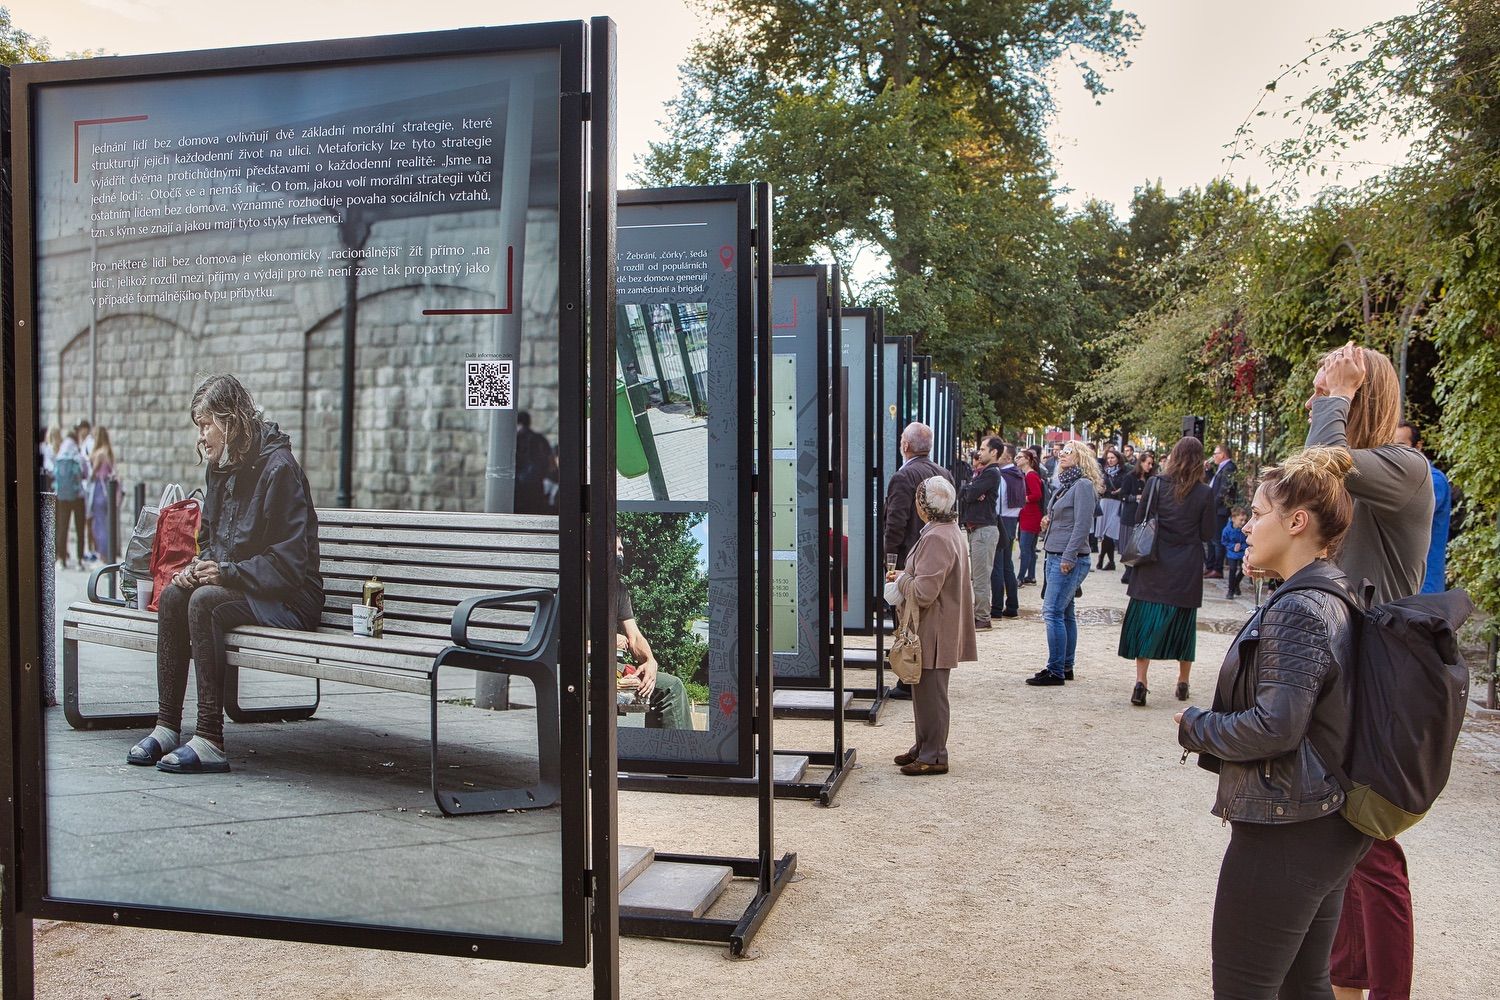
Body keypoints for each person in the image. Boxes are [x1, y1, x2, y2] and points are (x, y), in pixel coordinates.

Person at [1176, 447, 1371, 1000]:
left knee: (1246, 988)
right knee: (1303, 986)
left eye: (1258, 512)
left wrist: (1196, 726)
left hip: (1289, 825)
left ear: (1297, 522)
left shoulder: (1299, 606)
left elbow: (1276, 726)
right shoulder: (1332, 592)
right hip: (1320, 821)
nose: (1246, 525)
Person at [1302, 343, 1433, 1000]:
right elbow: (1306, 480)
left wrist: (1336, 398)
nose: (1317, 397)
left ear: (1362, 398)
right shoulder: (1357, 472)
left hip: (1377, 680)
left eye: (1330, 388)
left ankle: (1382, 990)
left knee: (1374, 851)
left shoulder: (1405, 468)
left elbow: (1323, 465)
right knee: (1343, 843)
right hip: (1336, 672)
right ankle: (1346, 982)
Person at [125, 375, 324, 775]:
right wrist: (198, 568)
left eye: (206, 425)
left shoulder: (279, 469)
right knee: (175, 595)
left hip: (290, 599)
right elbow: (212, 539)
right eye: (198, 426)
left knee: (205, 603)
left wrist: (224, 572)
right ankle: (167, 727)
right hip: (246, 587)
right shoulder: (220, 468)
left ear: (231, 421)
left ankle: (210, 738)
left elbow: (288, 566)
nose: (201, 436)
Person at [885, 476, 975, 774]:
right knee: (924, 690)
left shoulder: (937, 536)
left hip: (935, 625)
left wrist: (900, 579)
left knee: (932, 692)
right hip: (937, 623)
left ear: (924, 506)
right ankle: (925, 746)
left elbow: (924, 592)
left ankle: (934, 753)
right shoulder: (946, 530)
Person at [1118, 436, 1216, 707]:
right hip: (1186, 567)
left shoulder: (1156, 484)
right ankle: (1182, 682)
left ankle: (1141, 682)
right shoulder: (1205, 493)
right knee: (1183, 626)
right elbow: (1208, 532)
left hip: (1153, 563)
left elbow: (1140, 518)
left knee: (1145, 623)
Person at [882, 422, 953, 700]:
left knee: (904, 618)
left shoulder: (904, 476)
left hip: (907, 558)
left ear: (905, 445)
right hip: (933, 555)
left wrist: (889, 560)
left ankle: (908, 677)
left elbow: (895, 521)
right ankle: (916, 674)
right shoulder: (942, 472)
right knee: (925, 618)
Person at [1026, 441, 1102, 687]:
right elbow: (1069, 519)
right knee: (1065, 612)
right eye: (1062, 451)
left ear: (1080, 457)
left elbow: (1082, 526)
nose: (1063, 455)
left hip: (1067, 557)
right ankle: (1065, 665)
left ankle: (1056, 669)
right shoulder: (1068, 485)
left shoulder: (1082, 485)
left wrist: (1069, 556)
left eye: (1069, 451)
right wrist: (1050, 521)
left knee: (1053, 612)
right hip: (1057, 553)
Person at [615, 535, 692, 730]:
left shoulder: (618, 590)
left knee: (671, 685)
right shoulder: (576, 586)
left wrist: (650, 661)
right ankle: (674, 755)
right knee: (670, 689)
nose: (621, 554)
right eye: (616, 549)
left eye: (622, 549)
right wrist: (601, 641)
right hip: (586, 667)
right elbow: (562, 643)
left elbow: (635, 637)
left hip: (611, 665)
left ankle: (665, 754)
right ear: (591, 554)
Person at [1393, 421, 1450, 594]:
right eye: (1391, 446)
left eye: (1402, 445)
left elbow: (1404, 512)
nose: (1396, 452)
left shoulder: (1435, 480)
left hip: (1425, 586)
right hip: (1402, 584)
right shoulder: (1400, 479)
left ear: (1418, 446)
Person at [958, 436, 1002, 630]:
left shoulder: (991, 473)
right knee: (977, 574)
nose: (979, 452)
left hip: (984, 530)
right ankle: (980, 614)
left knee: (981, 576)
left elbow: (968, 493)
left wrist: (970, 491)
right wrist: (970, 491)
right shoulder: (983, 473)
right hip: (977, 528)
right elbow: (968, 493)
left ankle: (982, 616)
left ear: (994, 452)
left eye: (983, 449)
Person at [990, 443, 1024, 620]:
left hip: (1001, 519)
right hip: (1012, 520)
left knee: (997, 566)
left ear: (1008, 457)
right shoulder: (1017, 475)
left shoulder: (1002, 476)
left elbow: (996, 502)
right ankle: (1012, 604)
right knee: (1007, 565)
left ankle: (996, 607)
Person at [1118, 450, 1157, 585]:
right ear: (1141, 463)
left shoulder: (1151, 480)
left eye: (1152, 464)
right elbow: (1123, 495)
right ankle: (1128, 571)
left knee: (1140, 544)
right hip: (1130, 515)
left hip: (1145, 517)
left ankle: (1133, 572)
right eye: (1148, 463)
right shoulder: (1130, 477)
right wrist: (1135, 498)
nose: (1150, 466)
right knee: (1128, 544)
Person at [52, 430, 89, 570]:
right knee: (80, 528)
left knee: (63, 527)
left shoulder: (60, 456)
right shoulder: (77, 456)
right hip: (78, 496)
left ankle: (61, 560)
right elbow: (85, 473)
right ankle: (79, 560)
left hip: (62, 496)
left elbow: (55, 475)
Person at [1205, 443, 1239, 578]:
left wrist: (1212, 505)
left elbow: (1224, 490)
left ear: (1222, 454)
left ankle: (1217, 568)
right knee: (1211, 538)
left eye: (1215, 453)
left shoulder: (1229, 467)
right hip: (1215, 508)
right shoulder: (1221, 467)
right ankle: (1210, 565)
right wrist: (1208, 471)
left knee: (1217, 540)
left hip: (1220, 510)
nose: (1214, 456)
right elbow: (1214, 484)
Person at [87, 427, 119, 564]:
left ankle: (103, 555)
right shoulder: (109, 452)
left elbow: (93, 473)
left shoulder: (99, 454)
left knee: (98, 524)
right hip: (109, 491)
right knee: (106, 523)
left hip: (100, 490)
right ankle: (108, 555)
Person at [513, 411, 553, 514]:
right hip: (537, 482)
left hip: (520, 484)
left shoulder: (516, 438)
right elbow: (548, 458)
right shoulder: (539, 438)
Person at [1015, 447, 1044, 586]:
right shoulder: (1027, 474)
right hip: (1028, 514)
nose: (1017, 459)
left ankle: (1020, 577)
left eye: (1020, 457)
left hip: (1031, 515)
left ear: (1027, 460)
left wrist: (1023, 498)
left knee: (1025, 547)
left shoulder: (1031, 475)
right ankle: (1030, 576)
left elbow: (1037, 495)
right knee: (1030, 548)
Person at [1097, 448, 1126, 571]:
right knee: (1105, 534)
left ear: (1118, 458)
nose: (1110, 460)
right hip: (1105, 502)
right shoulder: (1105, 472)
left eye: (1112, 458)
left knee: (1109, 532)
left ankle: (1102, 557)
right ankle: (1111, 562)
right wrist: (1101, 488)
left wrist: (1120, 490)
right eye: (1108, 458)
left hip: (1117, 503)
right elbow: (1100, 488)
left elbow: (1126, 487)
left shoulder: (1124, 473)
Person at [1222, 506, 1248, 599]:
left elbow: (1248, 541)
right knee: (1232, 570)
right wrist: (1233, 546)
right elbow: (1224, 541)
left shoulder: (1245, 530)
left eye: (1245, 520)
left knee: (1243, 570)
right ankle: (1230, 590)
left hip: (1242, 553)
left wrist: (1242, 546)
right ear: (1233, 518)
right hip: (1232, 554)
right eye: (1241, 520)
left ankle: (1236, 583)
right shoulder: (1227, 530)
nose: (1243, 522)